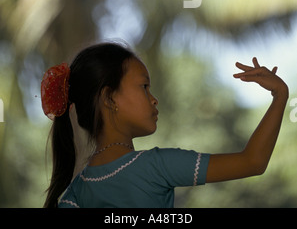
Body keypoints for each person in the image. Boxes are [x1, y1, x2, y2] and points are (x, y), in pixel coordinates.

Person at [41, 40, 289, 208]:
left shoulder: (73, 195)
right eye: (144, 86)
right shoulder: (158, 166)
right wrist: (280, 95)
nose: (154, 98)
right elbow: (253, 162)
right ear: (109, 98)